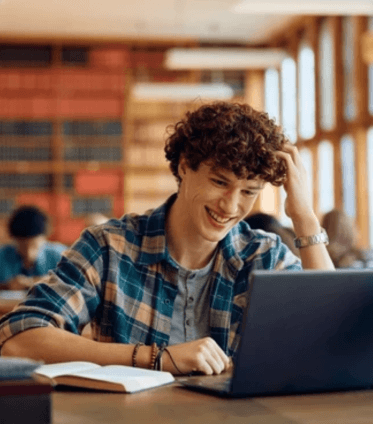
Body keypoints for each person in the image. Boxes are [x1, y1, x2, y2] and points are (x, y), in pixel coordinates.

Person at [0, 102, 333, 376]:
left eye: (249, 192)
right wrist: (156, 358)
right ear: (185, 167)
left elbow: (331, 336)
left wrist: (304, 217)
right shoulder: (109, 246)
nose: (231, 206)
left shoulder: (264, 255)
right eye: (219, 182)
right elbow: (19, 338)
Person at [0, 206, 67, 290]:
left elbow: (76, 281)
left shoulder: (59, 255)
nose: (29, 253)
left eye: (34, 246)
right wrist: (6, 286)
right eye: (23, 246)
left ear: (45, 238)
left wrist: (31, 282)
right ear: (13, 240)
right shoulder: (2, 256)